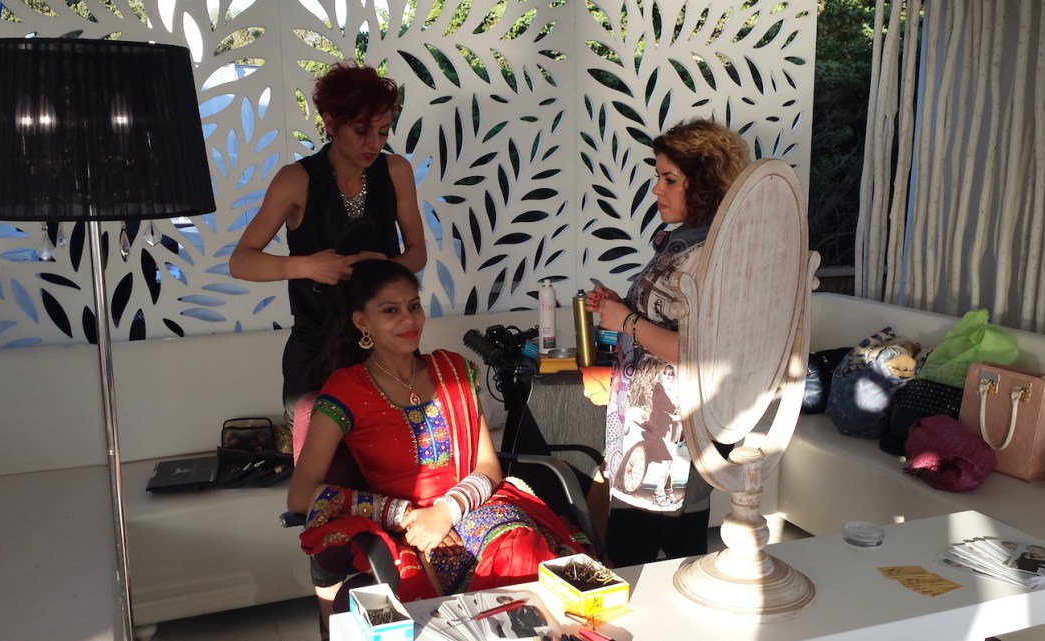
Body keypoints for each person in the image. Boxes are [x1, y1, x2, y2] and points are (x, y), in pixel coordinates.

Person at [288, 259, 587, 607]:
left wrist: (447, 511)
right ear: (362, 322)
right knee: (497, 570)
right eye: (391, 310)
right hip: (407, 530)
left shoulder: (452, 369)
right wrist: (406, 516)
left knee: (520, 549)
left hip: (471, 506)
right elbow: (300, 495)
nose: (409, 319)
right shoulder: (346, 388)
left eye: (414, 306)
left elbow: (488, 468)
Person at [585, 118, 751, 567]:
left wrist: (627, 321)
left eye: (670, 179)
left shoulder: (713, 256)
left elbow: (702, 353)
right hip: (656, 422)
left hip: (674, 431)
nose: (657, 189)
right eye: (659, 176)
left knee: (628, 562)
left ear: (705, 185)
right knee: (684, 554)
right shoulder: (682, 243)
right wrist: (621, 307)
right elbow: (668, 317)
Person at [229, 61, 427, 426]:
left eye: (383, 132)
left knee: (402, 447)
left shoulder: (396, 171)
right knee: (320, 456)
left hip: (386, 344)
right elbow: (241, 261)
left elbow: (417, 254)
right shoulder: (296, 180)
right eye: (361, 131)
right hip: (316, 348)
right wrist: (308, 266)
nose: (374, 143)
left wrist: (381, 267)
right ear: (331, 122)